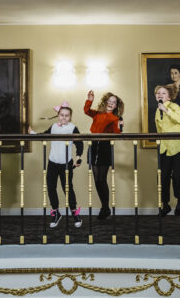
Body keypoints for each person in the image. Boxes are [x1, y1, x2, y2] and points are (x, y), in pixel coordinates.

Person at [29, 102, 84, 228]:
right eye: (61, 115)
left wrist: (78, 157)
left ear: (70, 117)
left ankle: (74, 213)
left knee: (68, 188)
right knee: (51, 187)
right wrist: (32, 133)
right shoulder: (53, 126)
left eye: (67, 116)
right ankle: (56, 212)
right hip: (52, 162)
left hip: (66, 163)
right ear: (58, 115)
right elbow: (44, 135)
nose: (64, 117)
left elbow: (79, 143)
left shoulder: (73, 128)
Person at [83, 90, 124, 219]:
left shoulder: (116, 118)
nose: (111, 103)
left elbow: (117, 134)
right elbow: (86, 110)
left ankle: (105, 207)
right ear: (105, 102)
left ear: (116, 106)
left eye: (114, 102)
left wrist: (120, 126)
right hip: (94, 145)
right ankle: (104, 207)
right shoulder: (97, 114)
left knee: (102, 179)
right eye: (109, 101)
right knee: (96, 180)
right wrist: (90, 99)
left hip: (105, 148)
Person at [154, 85, 180, 216]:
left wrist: (166, 110)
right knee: (162, 177)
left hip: (179, 148)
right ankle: (165, 205)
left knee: (177, 176)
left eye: (163, 93)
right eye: (158, 93)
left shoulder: (174, 107)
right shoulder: (157, 111)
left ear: (169, 96)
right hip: (165, 148)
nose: (160, 95)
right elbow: (159, 130)